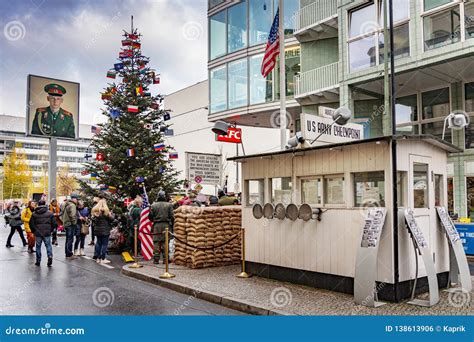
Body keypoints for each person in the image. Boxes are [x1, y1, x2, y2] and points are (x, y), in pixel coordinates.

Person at [149, 191, 174, 264]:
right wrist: (172, 225)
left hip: (156, 225)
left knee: (156, 242)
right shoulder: (169, 205)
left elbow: (150, 216)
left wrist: (154, 220)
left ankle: (156, 259)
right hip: (166, 225)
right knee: (165, 242)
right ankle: (165, 259)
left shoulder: (153, 205)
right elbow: (172, 217)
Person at [30, 200, 57, 267]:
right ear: (45, 204)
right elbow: (54, 224)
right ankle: (50, 256)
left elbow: (31, 224)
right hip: (47, 232)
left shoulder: (34, 213)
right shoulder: (50, 213)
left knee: (38, 246)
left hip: (38, 233)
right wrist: (50, 230)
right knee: (48, 245)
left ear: (38, 205)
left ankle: (38, 261)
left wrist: (34, 231)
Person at [91, 198, 114, 264]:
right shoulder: (105, 212)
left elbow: (93, 220)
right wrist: (110, 215)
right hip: (105, 230)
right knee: (104, 244)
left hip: (97, 230)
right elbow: (111, 219)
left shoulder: (95, 212)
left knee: (98, 243)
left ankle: (98, 258)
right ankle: (103, 258)